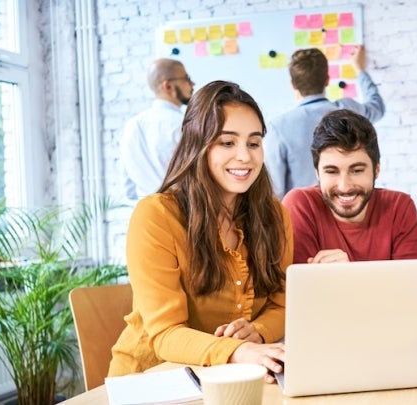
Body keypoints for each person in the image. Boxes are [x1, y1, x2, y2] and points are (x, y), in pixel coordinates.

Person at [109, 81, 292, 383]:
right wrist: (238, 351)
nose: (245, 156)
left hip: (233, 380)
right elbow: (165, 333)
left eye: (254, 143)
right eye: (227, 143)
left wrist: (257, 331)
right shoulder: (156, 215)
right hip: (152, 379)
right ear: (197, 144)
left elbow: (281, 304)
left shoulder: (274, 215)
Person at [282, 109, 417, 264]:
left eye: (357, 171)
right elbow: (299, 286)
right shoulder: (300, 205)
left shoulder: (399, 207)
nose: (344, 186)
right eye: (332, 171)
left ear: (376, 169)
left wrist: (345, 277)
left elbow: (415, 285)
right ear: (317, 173)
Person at [265, 46, 385, 199]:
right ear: (327, 79)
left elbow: (275, 191)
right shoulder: (348, 110)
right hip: (346, 211)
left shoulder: (278, 128)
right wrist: (359, 69)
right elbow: (377, 107)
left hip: (299, 218)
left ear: (293, 84)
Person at [120, 58, 195, 201]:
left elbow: (128, 189)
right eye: (187, 78)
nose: (192, 84)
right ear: (168, 86)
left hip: (147, 214)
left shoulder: (130, 126)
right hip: (182, 212)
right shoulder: (183, 125)